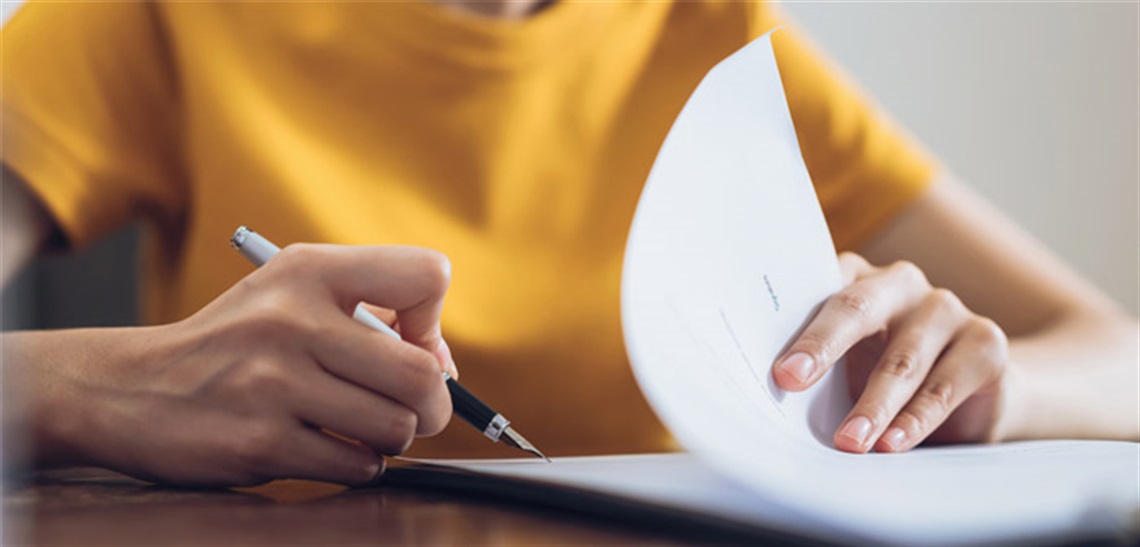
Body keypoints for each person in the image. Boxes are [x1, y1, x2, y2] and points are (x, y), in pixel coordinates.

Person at [1, 0, 1136, 487]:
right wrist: (105, 389)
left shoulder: (708, 37)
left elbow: (1118, 353)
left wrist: (990, 386)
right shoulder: (163, 14)